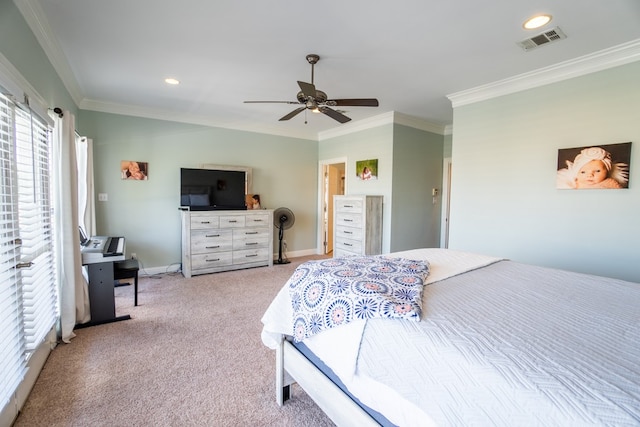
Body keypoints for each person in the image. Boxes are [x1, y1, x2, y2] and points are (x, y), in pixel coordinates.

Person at [556, 146, 628, 189]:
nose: (590, 175)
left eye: (597, 171)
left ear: (607, 171)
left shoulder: (610, 182)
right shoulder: (577, 183)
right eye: (583, 172)